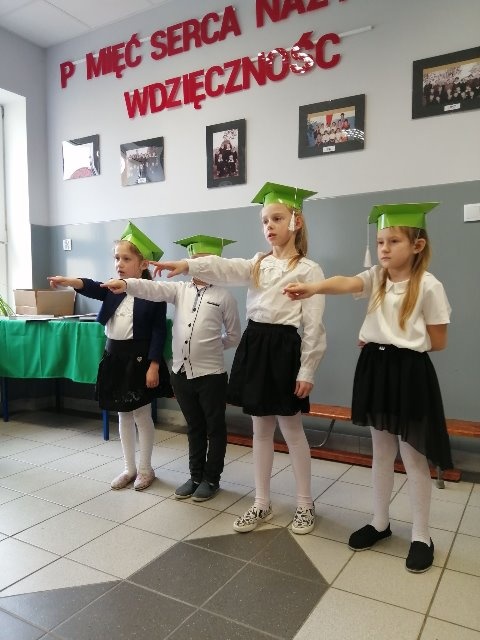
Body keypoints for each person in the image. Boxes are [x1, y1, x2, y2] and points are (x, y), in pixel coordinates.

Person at [144, 182, 327, 535]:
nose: (269, 226)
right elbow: (223, 266)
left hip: (284, 349)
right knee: (260, 429)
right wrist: (186, 264)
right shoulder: (258, 263)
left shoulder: (309, 270)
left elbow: (314, 326)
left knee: (291, 429)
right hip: (256, 346)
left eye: (277, 218)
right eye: (265, 221)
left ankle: (305, 504)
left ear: (297, 222)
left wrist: (307, 369)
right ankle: (261, 502)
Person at [284, 201, 453, 572]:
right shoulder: (377, 277)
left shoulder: (429, 286)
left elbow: (438, 341)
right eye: (380, 242)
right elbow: (347, 282)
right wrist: (312, 287)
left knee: (413, 456)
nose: (384, 249)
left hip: (409, 372)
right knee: (381, 450)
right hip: (375, 368)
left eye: (393, 241)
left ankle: (421, 535)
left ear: (417, 245)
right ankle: (380, 522)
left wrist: (395, 339)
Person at [101, 235, 241, 502]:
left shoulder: (224, 297)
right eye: (195, 261)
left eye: (206, 262)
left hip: (211, 375)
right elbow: (151, 289)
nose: (199, 266)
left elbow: (233, 336)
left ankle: (211, 479)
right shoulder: (180, 290)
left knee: (214, 428)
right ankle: (195, 476)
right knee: (194, 426)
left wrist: (210, 348)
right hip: (181, 373)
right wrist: (126, 284)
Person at [48, 221, 173, 491]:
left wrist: (153, 365)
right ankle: (129, 468)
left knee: (141, 414)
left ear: (143, 264)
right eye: (117, 258)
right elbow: (93, 286)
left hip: (139, 361)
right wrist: (69, 281)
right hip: (115, 358)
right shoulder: (115, 289)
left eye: (126, 259)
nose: (119, 264)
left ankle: (146, 469)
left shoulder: (154, 294)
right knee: (123, 414)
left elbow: (159, 331)